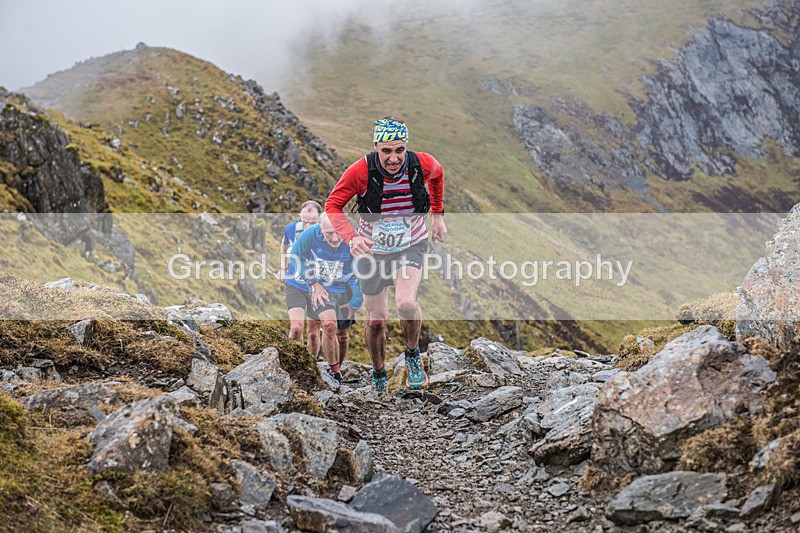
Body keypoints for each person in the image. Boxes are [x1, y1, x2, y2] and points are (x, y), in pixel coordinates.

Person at [325, 116, 446, 393]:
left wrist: (438, 216)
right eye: (387, 151)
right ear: (376, 147)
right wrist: (351, 236)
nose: (394, 158)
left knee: (405, 303)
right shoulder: (360, 171)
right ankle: (379, 372)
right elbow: (332, 205)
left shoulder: (422, 163)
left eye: (399, 150)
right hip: (372, 252)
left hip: (410, 244)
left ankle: (413, 356)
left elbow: (438, 177)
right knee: (377, 320)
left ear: (406, 147)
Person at [285, 212, 362, 385]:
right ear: (321, 229)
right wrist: (313, 283)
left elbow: (364, 274)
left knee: (343, 336)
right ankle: (333, 372)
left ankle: (337, 369)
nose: (335, 239)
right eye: (329, 234)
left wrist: (356, 302)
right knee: (327, 325)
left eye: (338, 233)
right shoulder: (311, 234)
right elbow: (296, 258)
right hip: (322, 286)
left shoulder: (353, 237)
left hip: (345, 288)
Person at [280, 200, 322, 356]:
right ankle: (294, 360)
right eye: (305, 222)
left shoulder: (326, 233)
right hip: (295, 284)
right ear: (299, 217)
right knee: (296, 329)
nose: (308, 227)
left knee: (313, 333)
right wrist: (282, 269)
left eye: (313, 223)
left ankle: (312, 366)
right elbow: (284, 246)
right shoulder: (291, 229)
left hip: (318, 287)